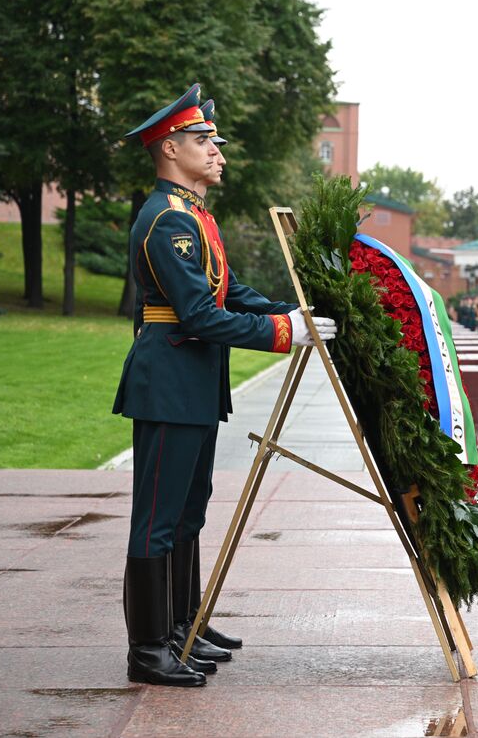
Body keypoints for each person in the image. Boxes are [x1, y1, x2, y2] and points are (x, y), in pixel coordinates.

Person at [112, 84, 337, 687]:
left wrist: (300, 311)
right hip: (169, 378)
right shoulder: (166, 222)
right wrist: (286, 332)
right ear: (168, 149)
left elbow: (232, 294)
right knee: (158, 517)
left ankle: (182, 627)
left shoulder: (194, 217)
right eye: (204, 141)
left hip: (192, 378)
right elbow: (198, 316)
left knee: (188, 510)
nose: (218, 152)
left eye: (215, 141)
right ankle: (148, 648)